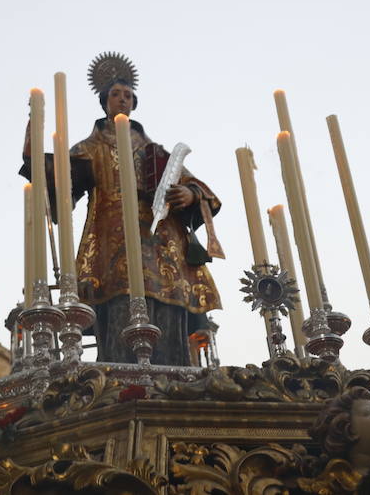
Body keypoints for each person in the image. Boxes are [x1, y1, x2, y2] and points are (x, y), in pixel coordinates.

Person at [23, 52, 223, 365]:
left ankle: (177, 376)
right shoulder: (91, 147)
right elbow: (62, 173)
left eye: (128, 95)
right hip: (110, 242)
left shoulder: (154, 150)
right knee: (118, 305)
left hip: (162, 242)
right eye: (116, 94)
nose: (123, 99)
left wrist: (189, 193)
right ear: (104, 101)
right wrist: (35, 150)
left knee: (168, 304)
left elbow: (193, 183)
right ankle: (120, 377)